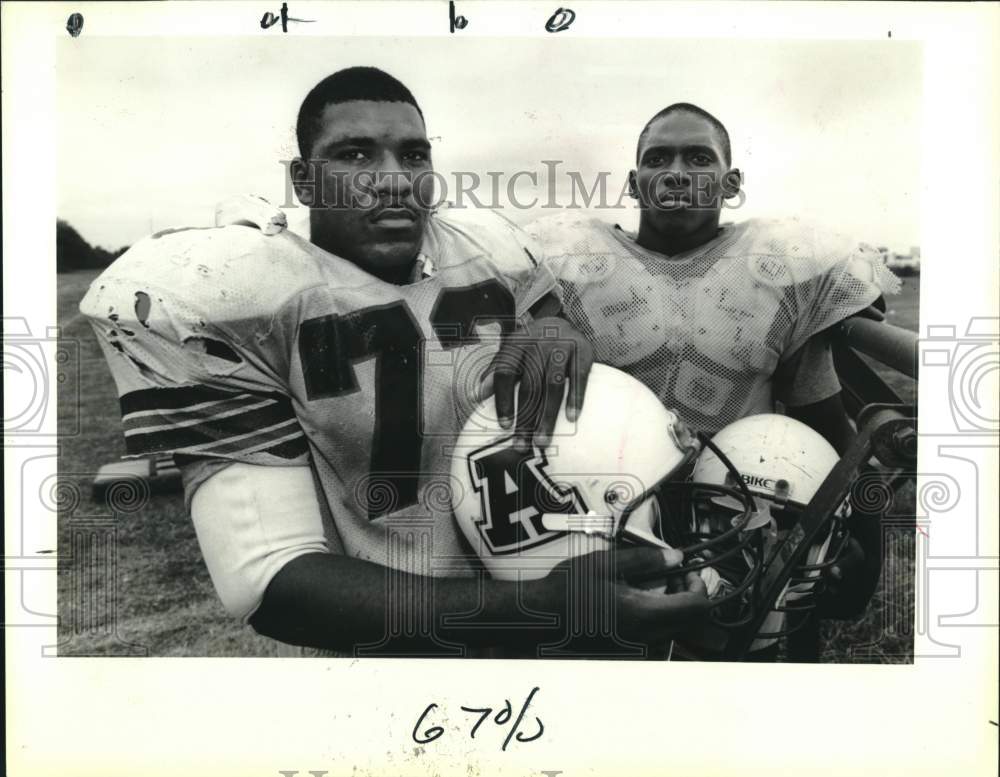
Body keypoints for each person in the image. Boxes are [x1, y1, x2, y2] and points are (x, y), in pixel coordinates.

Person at [80, 68, 710, 656]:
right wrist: (537, 608)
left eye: (414, 154)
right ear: (303, 182)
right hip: (394, 652)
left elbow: (550, 328)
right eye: (354, 155)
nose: (393, 178)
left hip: (553, 595)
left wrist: (556, 328)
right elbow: (272, 581)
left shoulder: (489, 247)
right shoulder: (229, 293)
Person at [526, 103, 901, 658]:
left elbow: (828, 436)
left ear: (731, 182)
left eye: (699, 157)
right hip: (607, 523)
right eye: (658, 159)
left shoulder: (783, 266)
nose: (677, 172)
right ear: (634, 183)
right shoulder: (565, 264)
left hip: (744, 526)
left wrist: (859, 555)